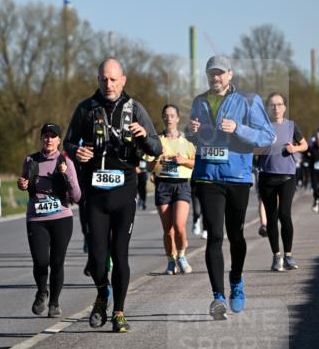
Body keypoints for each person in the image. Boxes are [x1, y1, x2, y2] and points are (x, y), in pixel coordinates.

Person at [64, 58, 162, 333]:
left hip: (124, 192)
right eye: (104, 79)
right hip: (95, 195)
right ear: (98, 80)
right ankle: (101, 293)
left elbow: (156, 147)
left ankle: (119, 312)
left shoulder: (135, 109)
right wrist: (76, 151)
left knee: (120, 255)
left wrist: (144, 136)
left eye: (113, 79)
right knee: (97, 260)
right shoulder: (85, 108)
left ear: (123, 80)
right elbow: (68, 142)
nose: (108, 84)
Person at [188, 55, 275, 320]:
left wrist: (238, 128)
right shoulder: (199, 101)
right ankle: (218, 297)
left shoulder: (249, 101)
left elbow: (267, 136)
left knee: (235, 235)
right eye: (211, 73)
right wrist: (191, 131)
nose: (215, 77)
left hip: (237, 177)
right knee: (214, 236)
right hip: (208, 176)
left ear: (230, 74)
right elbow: (195, 138)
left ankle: (236, 280)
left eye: (220, 73)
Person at [17, 123, 81, 317]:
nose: (49, 140)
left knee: (57, 262)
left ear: (59, 140)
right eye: (45, 136)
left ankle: (54, 302)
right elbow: (25, 182)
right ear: (41, 139)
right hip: (36, 218)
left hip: (61, 217)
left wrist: (65, 174)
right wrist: (22, 184)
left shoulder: (66, 162)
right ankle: (41, 292)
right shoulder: (31, 160)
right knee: (40, 261)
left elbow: (77, 196)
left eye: (53, 136)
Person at [257, 92, 307, 272]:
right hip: (267, 176)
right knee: (271, 217)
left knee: (284, 214)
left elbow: (305, 145)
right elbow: (252, 147)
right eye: (272, 105)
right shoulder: (262, 126)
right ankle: (276, 256)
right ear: (268, 108)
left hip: (287, 176)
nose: (276, 108)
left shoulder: (292, 126)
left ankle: (288, 255)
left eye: (279, 104)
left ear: (285, 107)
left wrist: (295, 148)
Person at [147, 104, 195, 275]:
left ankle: (181, 255)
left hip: (181, 185)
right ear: (163, 118)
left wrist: (184, 161)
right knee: (168, 229)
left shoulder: (187, 142)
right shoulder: (156, 141)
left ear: (178, 118)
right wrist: (156, 159)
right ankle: (170, 260)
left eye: (172, 115)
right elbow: (148, 167)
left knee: (179, 225)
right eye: (166, 115)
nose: (169, 118)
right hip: (163, 185)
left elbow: (196, 164)